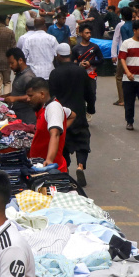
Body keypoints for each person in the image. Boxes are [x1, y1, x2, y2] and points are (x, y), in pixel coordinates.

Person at [49, 43, 95, 186]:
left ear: (58, 56)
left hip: (63, 114)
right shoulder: (81, 71)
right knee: (82, 140)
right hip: (79, 112)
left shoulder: (54, 73)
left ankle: (66, 168)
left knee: (64, 142)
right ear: (70, 54)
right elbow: (89, 91)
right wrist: (91, 107)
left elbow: (51, 96)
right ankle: (80, 165)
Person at [26, 77, 75, 172]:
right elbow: (72, 115)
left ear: (42, 94)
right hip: (39, 165)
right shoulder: (46, 108)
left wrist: (49, 160)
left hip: (48, 169)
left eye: (30, 96)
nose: (28, 99)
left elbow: (55, 134)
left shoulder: (53, 108)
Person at [4, 48, 37, 125]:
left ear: (20, 60)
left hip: (27, 119)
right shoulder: (19, 73)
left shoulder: (27, 77)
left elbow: (33, 96)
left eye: (12, 63)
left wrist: (14, 99)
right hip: (19, 115)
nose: (10, 66)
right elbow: (19, 92)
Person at [72, 24, 104, 99]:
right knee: (80, 97)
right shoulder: (75, 48)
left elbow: (101, 60)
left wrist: (91, 63)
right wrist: (79, 64)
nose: (89, 35)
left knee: (92, 96)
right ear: (81, 34)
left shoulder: (95, 47)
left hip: (91, 76)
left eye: (90, 33)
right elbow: (71, 63)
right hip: (79, 76)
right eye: (87, 33)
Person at [111, 6, 134, 106]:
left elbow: (115, 40)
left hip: (123, 53)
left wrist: (113, 54)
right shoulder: (135, 24)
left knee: (119, 76)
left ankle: (122, 99)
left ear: (122, 15)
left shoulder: (121, 25)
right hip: (135, 53)